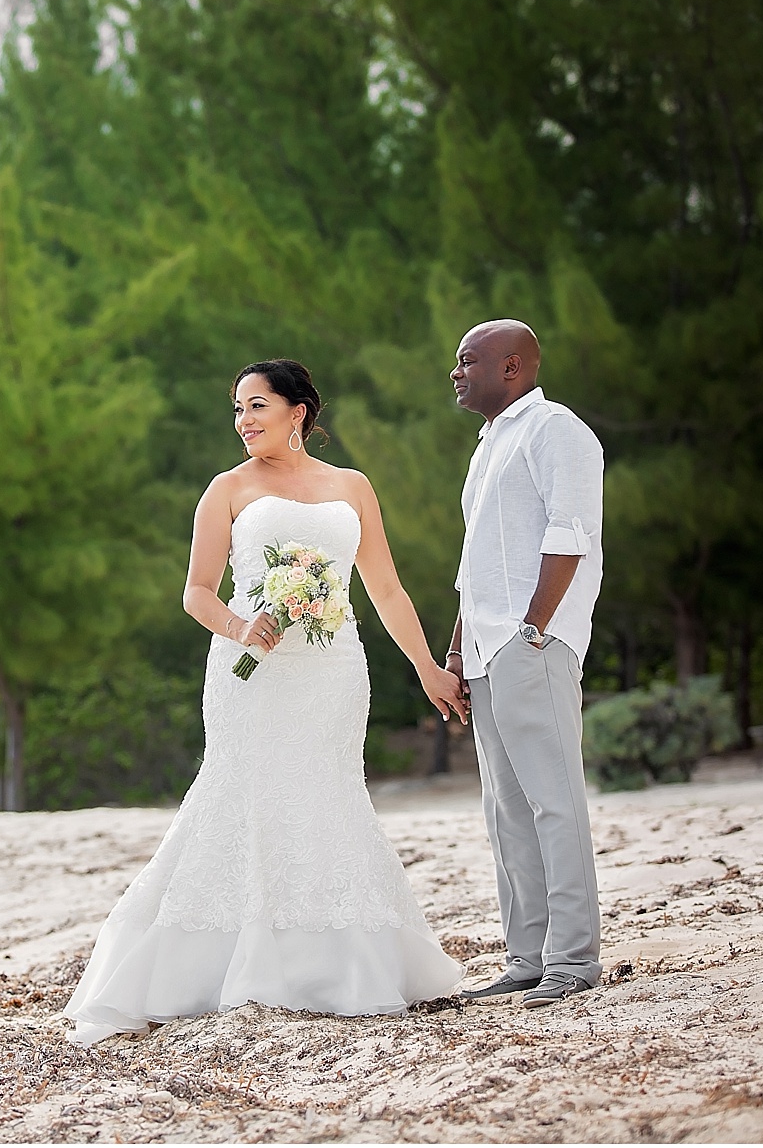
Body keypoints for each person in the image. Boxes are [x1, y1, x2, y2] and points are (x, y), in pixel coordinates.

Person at [62, 358, 467, 1044]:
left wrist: (427, 665)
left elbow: (386, 591)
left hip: (335, 668)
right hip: (252, 669)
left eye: (257, 406)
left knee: (328, 792)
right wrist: (240, 626)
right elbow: (196, 590)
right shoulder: (228, 488)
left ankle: (339, 965)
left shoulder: (352, 487)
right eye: (238, 409)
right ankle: (220, 963)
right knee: (243, 794)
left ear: (298, 411)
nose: (243, 421)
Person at [444, 320, 605, 1009]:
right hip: (483, 647)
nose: (454, 371)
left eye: (467, 360)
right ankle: (527, 957)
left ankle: (572, 959)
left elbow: (569, 534)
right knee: (506, 810)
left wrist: (534, 627)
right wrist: (456, 646)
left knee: (552, 800)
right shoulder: (487, 445)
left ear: (512, 366)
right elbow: (475, 561)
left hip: (529, 643)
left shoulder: (555, 429)